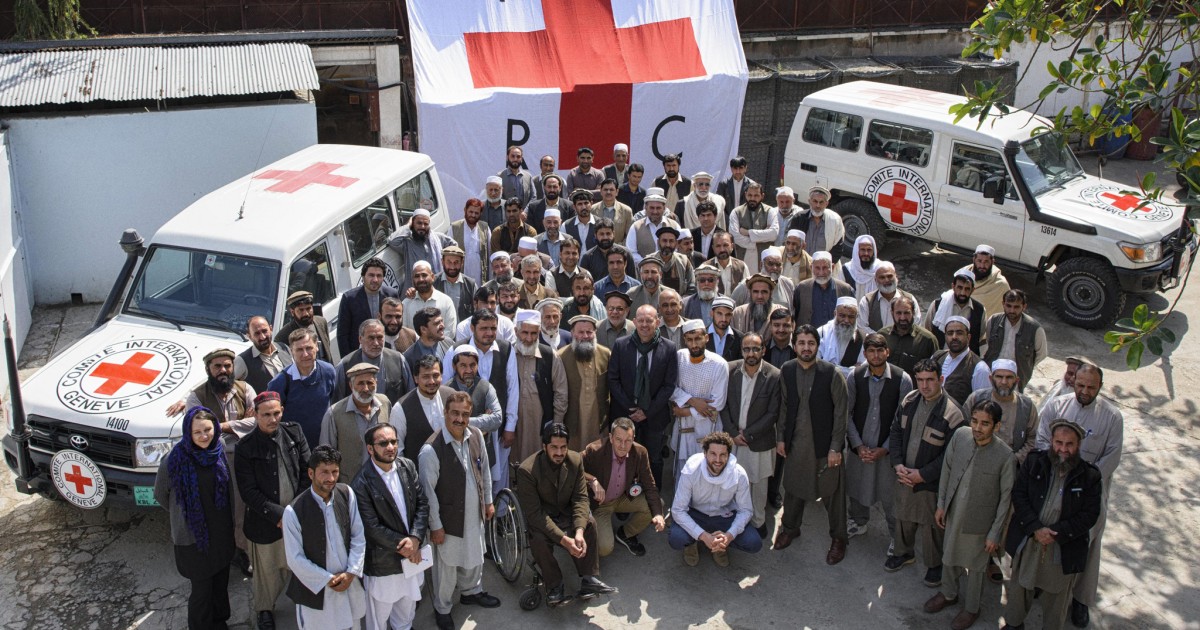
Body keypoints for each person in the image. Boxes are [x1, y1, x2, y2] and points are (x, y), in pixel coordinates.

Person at [1036, 363, 1123, 628]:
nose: (1084, 391)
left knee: (1087, 544)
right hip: (1053, 485)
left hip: (1090, 492)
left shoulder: (1112, 417)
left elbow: (1112, 457)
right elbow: (1041, 441)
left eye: (1091, 387)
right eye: (1080, 385)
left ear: (1100, 387)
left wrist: (1083, 480)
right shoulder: (1057, 406)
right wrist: (1058, 471)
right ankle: (1041, 583)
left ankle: (1081, 600)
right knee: (1048, 536)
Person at [924, 400, 1015, 630]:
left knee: (976, 567)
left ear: (996, 426)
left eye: (985, 423)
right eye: (974, 421)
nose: (977, 427)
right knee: (950, 555)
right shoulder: (960, 436)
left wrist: (994, 533)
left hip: (981, 522)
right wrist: (942, 504)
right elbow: (946, 470)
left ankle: (972, 609)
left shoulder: (1005, 456)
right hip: (954, 512)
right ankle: (948, 593)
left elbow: (1006, 499)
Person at [1003, 420, 1103, 630]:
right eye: (1059, 443)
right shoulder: (1034, 462)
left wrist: (1057, 533)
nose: (1063, 450)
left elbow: (1089, 515)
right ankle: (1014, 623)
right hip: (1031, 539)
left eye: (1069, 444)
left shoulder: (1090, 476)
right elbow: (1019, 496)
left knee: (1056, 597)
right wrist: (1035, 528)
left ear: (1078, 446)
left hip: (1063, 547)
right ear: (1051, 441)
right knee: (1021, 586)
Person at [417, 393, 499, 630]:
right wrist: (436, 526)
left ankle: (471, 592)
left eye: (465, 414)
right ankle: (442, 608)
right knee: (447, 568)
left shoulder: (475, 435)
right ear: (445, 413)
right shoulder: (430, 450)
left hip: (474, 515)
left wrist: (488, 502)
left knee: (474, 558)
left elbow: (483, 470)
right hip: (448, 521)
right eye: (455, 413)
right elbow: (427, 493)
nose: (460, 419)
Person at [517, 423, 618, 607]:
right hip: (543, 519)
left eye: (563, 447)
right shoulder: (527, 471)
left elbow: (580, 498)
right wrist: (564, 540)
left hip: (566, 513)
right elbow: (535, 514)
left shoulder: (575, 461)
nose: (559, 452)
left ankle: (589, 579)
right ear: (544, 447)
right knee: (539, 539)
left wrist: (578, 532)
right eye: (554, 447)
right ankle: (554, 586)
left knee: (589, 523)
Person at [886, 358, 966, 588]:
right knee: (903, 516)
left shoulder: (953, 413)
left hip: (932, 483)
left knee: (932, 526)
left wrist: (923, 474)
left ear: (941, 380)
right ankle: (903, 552)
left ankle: (934, 565)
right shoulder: (909, 400)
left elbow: (952, 456)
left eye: (930, 380)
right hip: (904, 475)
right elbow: (895, 433)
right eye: (920, 380)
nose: (924, 385)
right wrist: (897, 463)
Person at [774, 324, 850, 565]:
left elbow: (841, 413)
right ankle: (790, 528)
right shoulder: (787, 370)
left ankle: (839, 539)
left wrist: (835, 448)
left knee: (832, 494)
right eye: (802, 343)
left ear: (818, 346)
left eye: (811, 343)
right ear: (794, 346)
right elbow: (784, 407)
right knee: (794, 488)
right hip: (797, 444)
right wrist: (781, 438)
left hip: (825, 447)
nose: (806, 348)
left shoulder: (831, 373)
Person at [235, 391, 311, 630]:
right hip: (265, 522)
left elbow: (307, 472)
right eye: (266, 414)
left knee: (301, 565)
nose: (272, 419)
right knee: (266, 574)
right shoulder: (245, 447)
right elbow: (248, 492)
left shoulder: (294, 432)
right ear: (255, 415)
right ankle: (265, 610)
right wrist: (279, 515)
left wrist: (294, 510)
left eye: (276, 413)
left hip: (297, 516)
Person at [155, 407, 236, 630]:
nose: (204, 436)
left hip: (220, 534)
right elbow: (161, 495)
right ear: (188, 433)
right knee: (202, 591)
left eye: (208, 430)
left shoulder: (218, 450)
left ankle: (220, 623)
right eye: (197, 432)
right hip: (194, 540)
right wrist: (183, 516)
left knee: (220, 584)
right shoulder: (173, 460)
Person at [351, 424, 430, 630]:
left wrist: (415, 538)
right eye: (383, 443)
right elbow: (371, 526)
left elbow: (422, 503)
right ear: (370, 449)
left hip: (411, 559)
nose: (390, 447)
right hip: (383, 565)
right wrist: (405, 546)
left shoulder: (407, 467)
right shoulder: (361, 483)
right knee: (378, 620)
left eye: (393, 441)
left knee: (406, 614)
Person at [282, 446, 367, 630]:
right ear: (311, 473)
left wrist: (351, 572)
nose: (330, 478)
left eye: (334, 472)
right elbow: (295, 559)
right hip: (316, 589)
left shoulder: (346, 494)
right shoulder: (293, 511)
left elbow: (358, 535)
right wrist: (329, 579)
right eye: (324, 472)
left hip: (349, 582)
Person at [845, 333, 912, 541]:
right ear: (865, 353)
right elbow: (846, 414)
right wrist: (857, 445)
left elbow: (902, 421)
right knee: (856, 486)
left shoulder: (902, 380)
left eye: (879, 350)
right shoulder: (854, 376)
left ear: (887, 352)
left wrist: (885, 448)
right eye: (871, 351)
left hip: (888, 450)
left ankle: (897, 539)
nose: (875, 355)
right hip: (860, 448)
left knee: (890, 496)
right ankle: (859, 521)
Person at [607, 304, 679, 486]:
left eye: (649, 320)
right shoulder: (621, 345)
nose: (645, 325)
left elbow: (669, 385)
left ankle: (652, 500)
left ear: (658, 322)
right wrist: (631, 409)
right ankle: (625, 499)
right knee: (624, 458)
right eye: (641, 320)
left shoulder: (669, 348)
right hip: (625, 414)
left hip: (654, 417)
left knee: (653, 459)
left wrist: (647, 410)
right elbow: (613, 380)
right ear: (634, 322)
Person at [448, 309, 520, 490]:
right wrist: (476, 423)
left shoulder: (505, 349)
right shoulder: (456, 349)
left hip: (499, 427)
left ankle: (499, 515)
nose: (489, 333)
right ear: (472, 328)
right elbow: (446, 390)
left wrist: (510, 426)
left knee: (498, 477)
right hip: (460, 431)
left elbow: (512, 388)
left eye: (493, 328)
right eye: (484, 328)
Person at [719, 333, 781, 538]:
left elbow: (773, 412)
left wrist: (749, 434)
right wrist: (733, 433)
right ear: (741, 351)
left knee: (758, 484)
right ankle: (734, 519)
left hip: (759, 441)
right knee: (732, 482)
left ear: (763, 350)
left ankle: (758, 521)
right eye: (747, 349)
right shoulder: (729, 370)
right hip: (734, 439)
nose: (751, 353)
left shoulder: (774, 375)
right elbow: (723, 405)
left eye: (756, 349)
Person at [668, 431, 762, 567]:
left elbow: (746, 511)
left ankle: (719, 545)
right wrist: (702, 535)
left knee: (753, 543)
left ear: (729, 455)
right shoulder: (692, 469)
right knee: (676, 539)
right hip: (696, 514)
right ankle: (693, 542)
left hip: (724, 517)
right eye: (713, 454)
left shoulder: (739, 474)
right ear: (705, 453)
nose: (717, 460)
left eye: (723, 455)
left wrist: (729, 535)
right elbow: (678, 510)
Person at [582, 417, 666, 557]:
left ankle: (626, 533)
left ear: (633, 438)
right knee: (604, 549)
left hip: (623, 497)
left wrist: (658, 514)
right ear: (610, 438)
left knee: (656, 506)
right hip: (600, 505)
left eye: (628, 440)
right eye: (618, 440)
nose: (622, 445)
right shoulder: (594, 450)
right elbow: (572, 467)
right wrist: (592, 480)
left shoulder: (640, 452)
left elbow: (650, 485)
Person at [670, 320, 729, 482]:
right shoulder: (679, 357)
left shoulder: (719, 364)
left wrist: (685, 410)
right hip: (683, 428)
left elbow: (717, 403)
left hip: (707, 427)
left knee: (707, 472)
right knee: (683, 475)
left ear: (706, 338)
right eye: (689, 340)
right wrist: (694, 401)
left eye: (698, 339)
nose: (694, 344)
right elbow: (670, 388)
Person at [509, 310, 568, 463]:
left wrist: (555, 426)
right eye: (525, 333)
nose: (529, 338)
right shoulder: (507, 354)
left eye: (534, 333)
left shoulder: (550, 355)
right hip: (512, 424)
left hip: (541, 424)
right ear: (516, 331)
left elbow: (561, 393)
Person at [268, 329, 337, 451]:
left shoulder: (328, 371)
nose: (305, 354)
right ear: (291, 351)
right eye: (299, 350)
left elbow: (335, 404)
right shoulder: (280, 383)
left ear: (317, 347)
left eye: (309, 348)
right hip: (293, 449)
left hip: (323, 446)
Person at [320, 363, 389, 483]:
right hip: (351, 485)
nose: (366, 389)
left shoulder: (385, 403)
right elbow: (327, 456)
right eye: (361, 383)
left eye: (370, 383)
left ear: (376, 383)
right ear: (351, 386)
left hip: (384, 481)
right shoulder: (334, 413)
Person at [963, 359, 1039, 464]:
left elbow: (1033, 438)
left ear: (1016, 381)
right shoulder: (976, 398)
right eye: (999, 377)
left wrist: (1014, 460)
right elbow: (963, 429)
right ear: (990, 379)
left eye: (1009, 377)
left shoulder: (1026, 406)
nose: (1004, 382)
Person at [560, 315, 611, 450]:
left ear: (595, 333)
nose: (585, 336)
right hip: (573, 420)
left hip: (598, 420)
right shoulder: (560, 356)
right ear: (572, 333)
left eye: (589, 332)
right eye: (581, 332)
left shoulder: (606, 354)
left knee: (598, 457)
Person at [392, 355, 457, 462]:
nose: (432, 381)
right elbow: (397, 450)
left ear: (441, 376)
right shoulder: (401, 408)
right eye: (426, 377)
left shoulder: (452, 396)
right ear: (416, 378)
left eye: (435, 375)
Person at [981, 289, 1048, 392]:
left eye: (1016, 307)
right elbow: (989, 342)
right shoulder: (994, 321)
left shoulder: (1035, 328)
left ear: (1024, 306)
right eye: (1008, 306)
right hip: (993, 371)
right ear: (1003, 304)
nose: (1012, 311)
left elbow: (1041, 354)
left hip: (1016, 376)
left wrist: (1025, 365)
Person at [333, 319, 412, 406]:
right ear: (360, 339)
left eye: (379, 338)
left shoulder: (398, 360)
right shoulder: (345, 365)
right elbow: (337, 404)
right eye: (371, 338)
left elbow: (410, 395)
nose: (376, 343)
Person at [337, 258, 400, 357]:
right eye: (371, 275)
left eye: (379, 276)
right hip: (360, 355)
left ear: (383, 278)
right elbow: (342, 335)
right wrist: (348, 361)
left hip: (387, 353)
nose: (375, 279)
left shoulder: (391, 294)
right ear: (363, 276)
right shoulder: (349, 298)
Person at [388, 208, 455, 296]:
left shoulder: (437, 239)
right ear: (413, 223)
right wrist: (408, 225)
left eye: (425, 224)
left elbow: (454, 247)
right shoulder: (407, 242)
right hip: (412, 291)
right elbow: (392, 241)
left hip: (435, 290)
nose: (422, 227)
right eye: (419, 223)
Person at [931, 316, 992, 407]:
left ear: (968, 337)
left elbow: (983, 406)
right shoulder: (936, 357)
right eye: (950, 333)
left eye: (959, 333)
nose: (954, 337)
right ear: (945, 336)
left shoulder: (979, 368)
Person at [923, 270, 986, 356]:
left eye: (967, 289)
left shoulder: (979, 310)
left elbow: (980, 335)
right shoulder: (938, 305)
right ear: (953, 286)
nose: (963, 293)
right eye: (960, 287)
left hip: (965, 360)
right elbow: (928, 330)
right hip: (938, 357)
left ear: (973, 290)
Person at [880, 295, 941, 377]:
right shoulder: (882, 335)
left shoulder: (927, 339)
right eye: (898, 313)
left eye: (906, 313)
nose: (902, 317)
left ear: (913, 313)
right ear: (892, 313)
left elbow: (936, 371)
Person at [728, 182, 780, 275]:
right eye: (750, 195)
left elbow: (773, 234)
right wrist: (759, 239)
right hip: (742, 257)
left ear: (762, 196)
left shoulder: (770, 211)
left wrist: (748, 232)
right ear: (745, 195)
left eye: (756, 195)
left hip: (763, 260)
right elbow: (735, 237)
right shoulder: (736, 212)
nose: (752, 198)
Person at [791, 252, 853, 328]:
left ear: (832, 267)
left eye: (825, 268)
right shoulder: (802, 288)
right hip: (808, 338)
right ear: (811, 268)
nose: (821, 272)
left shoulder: (845, 289)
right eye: (817, 268)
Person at [275, 290, 337, 364]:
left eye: (308, 308)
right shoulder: (283, 336)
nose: (306, 314)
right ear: (292, 312)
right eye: (301, 310)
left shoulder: (321, 322)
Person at [857, 262, 919, 334]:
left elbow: (917, 324)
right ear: (875, 280)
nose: (886, 280)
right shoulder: (867, 301)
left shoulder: (910, 299)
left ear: (896, 277)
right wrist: (882, 340)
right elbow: (862, 327)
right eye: (882, 277)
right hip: (877, 344)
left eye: (889, 276)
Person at [237, 316, 294, 394]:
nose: (262, 337)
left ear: (271, 329)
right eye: (257, 333)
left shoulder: (284, 348)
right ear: (249, 336)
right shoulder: (242, 360)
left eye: (264, 331)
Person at [787, 186, 846, 261]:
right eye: (815, 201)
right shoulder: (799, 218)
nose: (818, 205)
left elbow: (838, 247)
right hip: (802, 263)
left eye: (821, 202)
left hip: (823, 267)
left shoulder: (834, 220)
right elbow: (791, 243)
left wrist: (829, 263)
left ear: (826, 204)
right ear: (809, 201)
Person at [626, 188, 681, 264]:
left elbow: (679, 250)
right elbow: (631, 252)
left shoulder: (674, 226)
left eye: (658, 208)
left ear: (664, 208)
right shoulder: (635, 227)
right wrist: (648, 264)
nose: (655, 212)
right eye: (652, 208)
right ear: (645, 208)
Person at [403, 261, 459, 334]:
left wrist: (430, 342)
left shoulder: (446, 301)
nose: (421, 279)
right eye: (417, 276)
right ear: (412, 280)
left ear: (432, 277)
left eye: (424, 275)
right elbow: (403, 332)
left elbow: (450, 332)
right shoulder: (406, 303)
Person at [816, 296, 866, 376]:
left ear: (856, 317)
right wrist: (849, 370)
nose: (846, 320)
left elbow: (861, 371)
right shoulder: (822, 333)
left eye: (851, 317)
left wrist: (831, 367)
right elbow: (818, 365)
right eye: (842, 316)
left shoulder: (862, 338)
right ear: (835, 314)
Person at [959, 244, 1010, 320]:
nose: (982, 266)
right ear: (974, 260)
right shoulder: (961, 275)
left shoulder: (1001, 284)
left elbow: (1009, 306)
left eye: (986, 262)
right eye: (979, 261)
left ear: (992, 262)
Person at [450, 198, 491, 286]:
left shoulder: (485, 228)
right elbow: (448, 252)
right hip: (461, 273)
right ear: (465, 210)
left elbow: (489, 253)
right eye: (470, 212)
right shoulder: (454, 227)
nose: (473, 215)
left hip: (479, 275)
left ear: (480, 213)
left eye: (476, 213)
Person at [435, 245, 478, 325]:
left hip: (463, 334)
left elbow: (478, 310)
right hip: (439, 334)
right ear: (442, 262)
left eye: (456, 262)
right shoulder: (433, 283)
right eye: (449, 262)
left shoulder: (470, 285)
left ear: (462, 262)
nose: (452, 266)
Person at [404, 307, 455, 374]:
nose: (442, 326)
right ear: (423, 329)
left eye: (441, 321)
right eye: (437, 323)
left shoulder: (449, 344)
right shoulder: (409, 357)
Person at [652, 226, 696, 295]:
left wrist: (682, 302)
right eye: (664, 241)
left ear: (676, 244)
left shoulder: (684, 261)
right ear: (658, 242)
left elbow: (692, 286)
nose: (668, 245)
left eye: (671, 241)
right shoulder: (650, 261)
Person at [731, 274, 777, 338]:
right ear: (750, 293)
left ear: (770, 293)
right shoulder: (738, 313)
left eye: (764, 292)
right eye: (755, 292)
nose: (760, 296)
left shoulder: (778, 312)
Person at [592, 178, 635, 243]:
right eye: (605, 190)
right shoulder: (592, 209)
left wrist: (619, 249)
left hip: (619, 250)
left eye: (611, 190)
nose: (608, 192)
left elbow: (631, 235)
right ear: (601, 191)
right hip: (598, 249)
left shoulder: (626, 211)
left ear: (617, 192)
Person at [841, 235, 884, 300]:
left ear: (874, 251)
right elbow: (840, 292)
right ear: (856, 250)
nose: (866, 253)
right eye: (862, 250)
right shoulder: (847, 269)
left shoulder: (880, 268)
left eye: (869, 250)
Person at [716, 156, 753, 221]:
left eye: (741, 168)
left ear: (745, 168)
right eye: (735, 168)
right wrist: (727, 220)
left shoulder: (751, 185)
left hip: (746, 222)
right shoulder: (724, 184)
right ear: (731, 169)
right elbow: (719, 204)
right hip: (727, 221)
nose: (738, 171)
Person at [706, 295, 742, 362]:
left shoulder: (739, 338)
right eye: (719, 314)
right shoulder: (702, 335)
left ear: (732, 315)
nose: (723, 319)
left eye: (728, 315)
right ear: (712, 313)